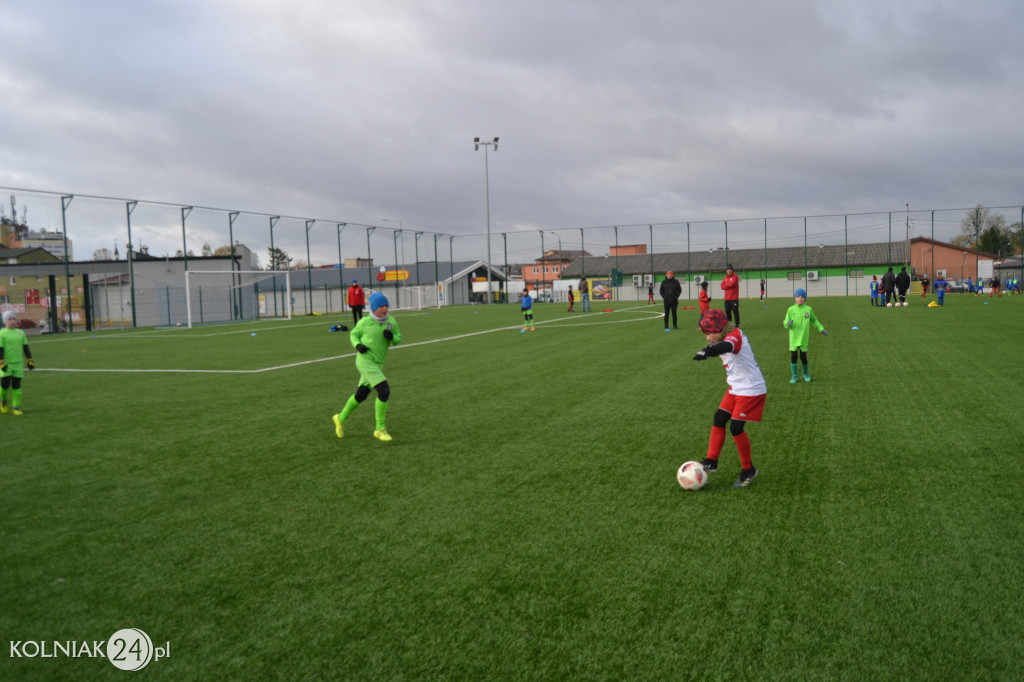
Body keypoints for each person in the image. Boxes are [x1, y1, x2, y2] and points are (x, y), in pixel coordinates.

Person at [693, 308, 766, 488]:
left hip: (750, 388)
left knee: (736, 427)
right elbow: (720, 346)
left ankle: (749, 469)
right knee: (719, 418)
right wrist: (709, 349)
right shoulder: (723, 336)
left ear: (719, 329)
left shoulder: (734, 336)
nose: (707, 338)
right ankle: (712, 460)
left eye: (709, 333)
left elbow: (727, 346)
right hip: (736, 387)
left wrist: (708, 351)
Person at [332, 292, 402, 442]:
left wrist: (392, 338)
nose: (385, 308)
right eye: (381, 306)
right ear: (374, 307)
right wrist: (357, 345)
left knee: (361, 394)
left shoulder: (391, 321)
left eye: (386, 305)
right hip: (365, 361)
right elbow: (353, 334)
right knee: (384, 390)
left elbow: (398, 339)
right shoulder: (364, 322)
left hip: (378, 363)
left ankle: (340, 418)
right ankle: (379, 429)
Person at [784, 288, 827, 383]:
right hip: (794, 338)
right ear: (795, 298)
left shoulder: (808, 309)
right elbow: (785, 321)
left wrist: (821, 329)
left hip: (803, 338)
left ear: (805, 299)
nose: (800, 298)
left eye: (802, 297)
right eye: (798, 296)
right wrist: (787, 323)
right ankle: (794, 376)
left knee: (803, 357)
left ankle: (806, 374)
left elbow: (814, 320)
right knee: (794, 357)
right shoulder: (791, 309)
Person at [0, 310, 36, 415]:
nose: (12, 321)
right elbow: (0, 349)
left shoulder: (20, 333)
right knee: (4, 385)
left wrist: (30, 359)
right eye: (9, 319)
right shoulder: (1, 333)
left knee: (16, 385)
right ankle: (3, 401)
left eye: (14, 319)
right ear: (5, 321)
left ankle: (16, 407)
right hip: (6, 364)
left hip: (18, 363)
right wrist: (1, 361)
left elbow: (25, 347)